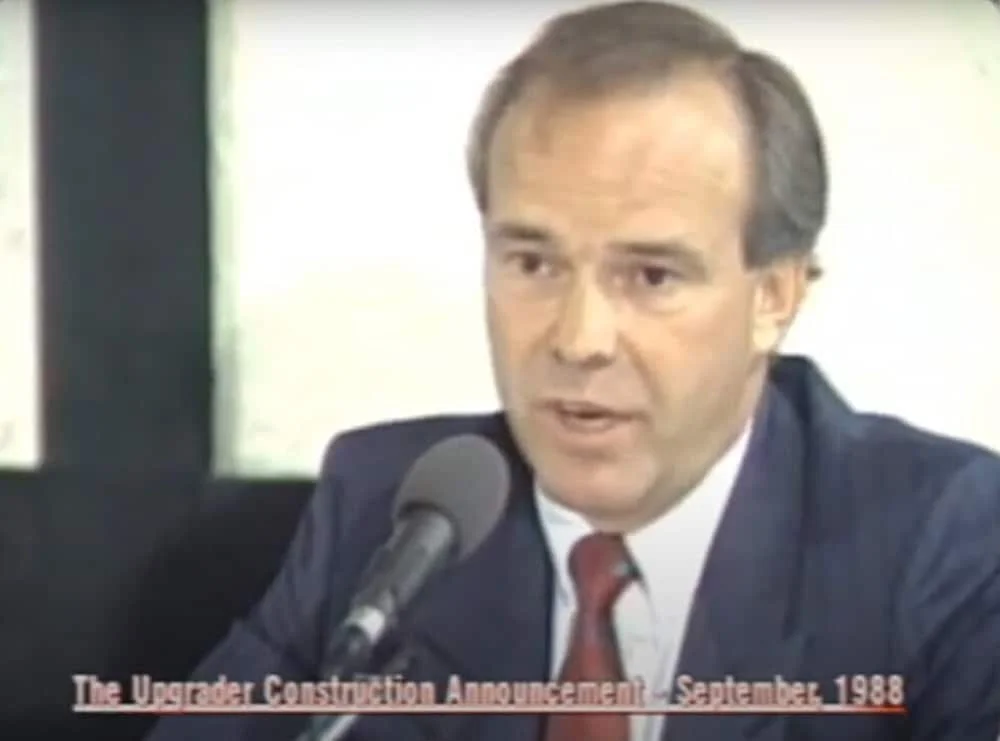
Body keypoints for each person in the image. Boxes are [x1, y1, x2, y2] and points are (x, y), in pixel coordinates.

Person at [146, 2, 1000, 740]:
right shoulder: (390, 507)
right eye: (534, 263)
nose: (580, 339)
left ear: (774, 297)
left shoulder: (938, 540)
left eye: (651, 275)